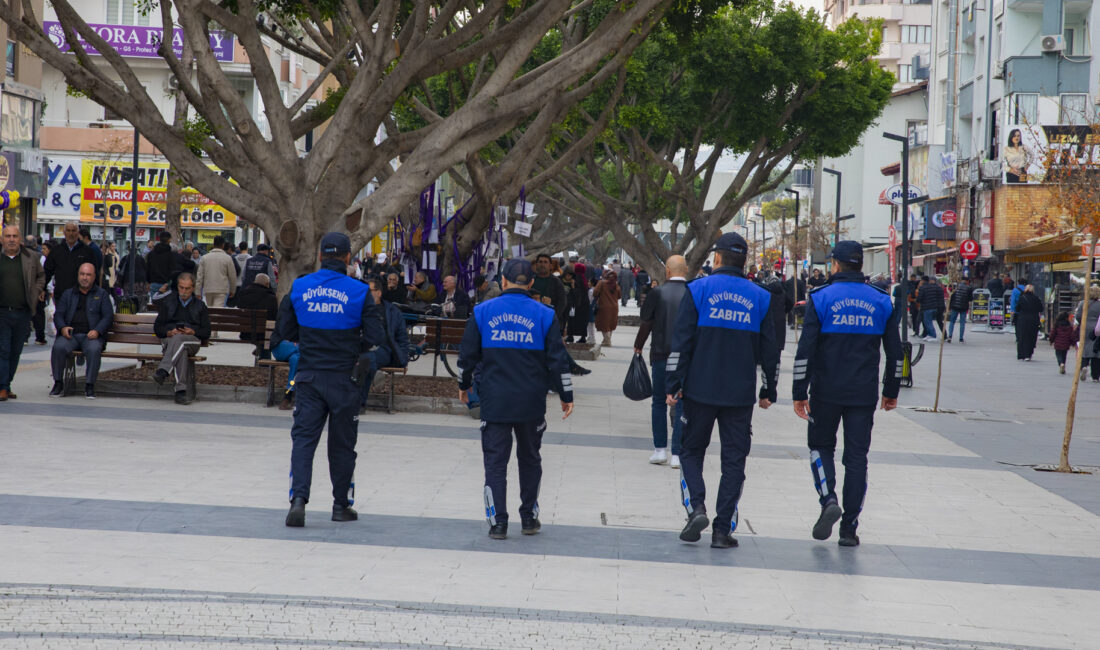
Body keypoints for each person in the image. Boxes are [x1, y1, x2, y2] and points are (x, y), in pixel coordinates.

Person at [666, 233, 778, 549]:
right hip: (739, 396)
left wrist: (673, 384)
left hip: (699, 391)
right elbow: (770, 350)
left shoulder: (698, 289)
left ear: (716, 258)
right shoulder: (761, 297)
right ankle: (721, 530)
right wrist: (769, 388)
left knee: (690, 451)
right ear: (744, 261)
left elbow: (682, 343)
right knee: (734, 461)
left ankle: (696, 508)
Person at [792, 241, 902, 547]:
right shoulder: (881, 301)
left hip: (825, 391)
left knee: (819, 446)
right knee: (857, 459)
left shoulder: (821, 297)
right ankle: (850, 528)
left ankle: (828, 500)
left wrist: (799, 391)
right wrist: (891, 390)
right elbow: (895, 353)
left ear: (836, 265)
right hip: (863, 394)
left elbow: (806, 351)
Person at [457, 258, 574, 540]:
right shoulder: (545, 315)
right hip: (531, 401)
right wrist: (566, 395)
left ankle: (498, 522)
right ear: (531, 283)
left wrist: (464, 384)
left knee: (495, 462)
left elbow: (467, 356)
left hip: (495, 400)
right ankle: (529, 517)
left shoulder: (483, 311)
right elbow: (559, 361)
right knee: (530, 458)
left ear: (504, 281)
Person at [282, 232, 384, 528]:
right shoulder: (359, 290)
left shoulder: (300, 287)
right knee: (342, 445)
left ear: (320, 256)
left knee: (303, 441)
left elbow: (286, 331)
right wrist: (353, 345)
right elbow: (375, 337)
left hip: (309, 376)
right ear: (348, 258)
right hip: (343, 378)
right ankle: (341, 505)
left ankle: (298, 500)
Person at [634, 255, 689, 468]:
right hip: (685, 357)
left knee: (658, 401)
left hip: (660, 354)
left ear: (667, 271)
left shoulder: (656, 293)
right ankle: (677, 453)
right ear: (685, 270)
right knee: (682, 403)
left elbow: (646, 323)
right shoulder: (693, 292)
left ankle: (659, 450)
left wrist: (639, 345)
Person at [49, 263, 112, 399]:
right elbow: (58, 314)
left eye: (88, 275)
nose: (85, 277)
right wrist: (62, 327)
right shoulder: (68, 294)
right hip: (70, 336)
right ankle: (58, 383)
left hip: (91, 336)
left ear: (94, 277)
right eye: (82, 274)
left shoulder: (102, 295)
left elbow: (108, 316)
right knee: (59, 347)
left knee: (94, 349)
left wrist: (97, 331)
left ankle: (89, 385)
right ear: (78, 276)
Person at [0, 224, 45, 400]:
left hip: (23, 311)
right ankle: (2, 387)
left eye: (14, 236)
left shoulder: (31, 257)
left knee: (15, 351)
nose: (11, 239)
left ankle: (7, 383)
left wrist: (37, 290)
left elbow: (41, 276)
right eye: (8, 236)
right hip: (2, 312)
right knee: (3, 350)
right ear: (2, 239)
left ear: (20, 239)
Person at [151, 272, 210, 404]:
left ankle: (163, 370)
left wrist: (192, 331)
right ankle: (180, 392)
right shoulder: (168, 302)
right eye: (181, 287)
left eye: (187, 288)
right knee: (179, 347)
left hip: (191, 340)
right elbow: (158, 327)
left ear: (193, 288)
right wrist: (168, 332)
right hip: (171, 340)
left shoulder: (200, 305)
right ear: (177, 287)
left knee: (180, 340)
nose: (184, 291)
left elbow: (206, 332)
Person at [359, 277, 410, 407]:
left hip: (384, 349)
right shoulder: (358, 309)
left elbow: (402, 337)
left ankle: (358, 403)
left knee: (367, 360)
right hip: (360, 348)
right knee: (362, 360)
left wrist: (403, 358)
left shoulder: (392, 311)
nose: (366, 294)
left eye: (369, 290)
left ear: (379, 293)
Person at [44, 222, 97, 306]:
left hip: (81, 296)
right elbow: (47, 272)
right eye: (68, 231)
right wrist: (42, 289)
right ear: (64, 233)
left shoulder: (87, 251)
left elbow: (94, 273)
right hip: (61, 296)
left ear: (78, 233)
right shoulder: (56, 251)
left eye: (73, 230)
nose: (71, 234)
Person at [196, 236, 237, 308]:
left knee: (208, 310)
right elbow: (232, 276)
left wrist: (198, 291)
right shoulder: (227, 258)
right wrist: (233, 290)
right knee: (217, 311)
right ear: (223, 245)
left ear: (213, 244)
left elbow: (199, 276)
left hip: (208, 289)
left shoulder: (205, 258)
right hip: (221, 290)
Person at [146, 232, 179, 299]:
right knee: (167, 306)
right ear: (169, 240)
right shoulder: (171, 255)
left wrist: (148, 281)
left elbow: (147, 268)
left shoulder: (151, 254)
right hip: (166, 284)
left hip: (154, 282)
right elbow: (174, 270)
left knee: (155, 305)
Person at [593, 270, 621, 346]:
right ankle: (606, 340)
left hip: (604, 307)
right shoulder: (616, 285)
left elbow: (595, 293)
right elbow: (619, 296)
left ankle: (607, 341)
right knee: (611, 324)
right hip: (614, 307)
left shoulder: (601, 283)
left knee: (604, 324)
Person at [1015, 285, 1042, 361]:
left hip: (1023, 319)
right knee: (1032, 336)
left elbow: (1017, 308)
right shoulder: (1036, 298)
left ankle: (1022, 354)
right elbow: (1041, 308)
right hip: (1034, 320)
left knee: (1023, 336)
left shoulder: (1022, 298)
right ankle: (1029, 354)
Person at [566, 263, 591, 343]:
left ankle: (570, 336)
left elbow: (577, 290)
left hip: (576, 303)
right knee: (583, 321)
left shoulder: (576, 277)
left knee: (572, 320)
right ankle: (583, 337)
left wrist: (572, 287)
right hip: (585, 303)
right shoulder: (584, 278)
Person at [1081, 286, 1100, 382]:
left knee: (1085, 349)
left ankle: (1084, 366)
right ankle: (1095, 376)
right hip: (1097, 328)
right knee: (1096, 352)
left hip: (1085, 327)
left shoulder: (1083, 303)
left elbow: (1078, 316)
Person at [917, 275, 944, 341]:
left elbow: (919, 298)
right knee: (928, 322)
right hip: (934, 306)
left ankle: (933, 335)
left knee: (928, 322)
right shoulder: (934, 287)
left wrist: (918, 300)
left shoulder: (922, 288)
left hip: (927, 307)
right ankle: (929, 334)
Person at [946, 278, 973, 343]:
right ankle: (961, 338)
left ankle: (950, 336)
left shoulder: (955, 286)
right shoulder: (969, 288)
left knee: (952, 322)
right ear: (966, 281)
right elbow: (970, 299)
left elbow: (951, 297)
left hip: (955, 306)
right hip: (963, 307)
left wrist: (949, 307)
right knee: (962, 323)